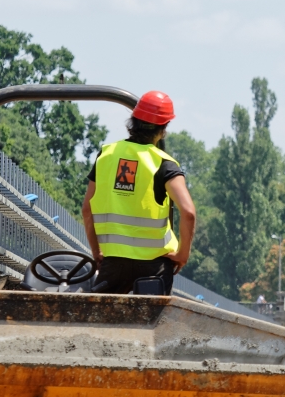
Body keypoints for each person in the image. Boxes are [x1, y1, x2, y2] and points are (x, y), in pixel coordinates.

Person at [81, 90, 198, 295]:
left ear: (133, 122)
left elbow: (87, 210)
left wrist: (97, 251)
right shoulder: (165, 164)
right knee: (149, 324)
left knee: (103, 322)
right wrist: (182, 255)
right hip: (154, 267)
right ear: (163, 129)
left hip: (114, 263)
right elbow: (188, 213)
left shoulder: (106, 155)